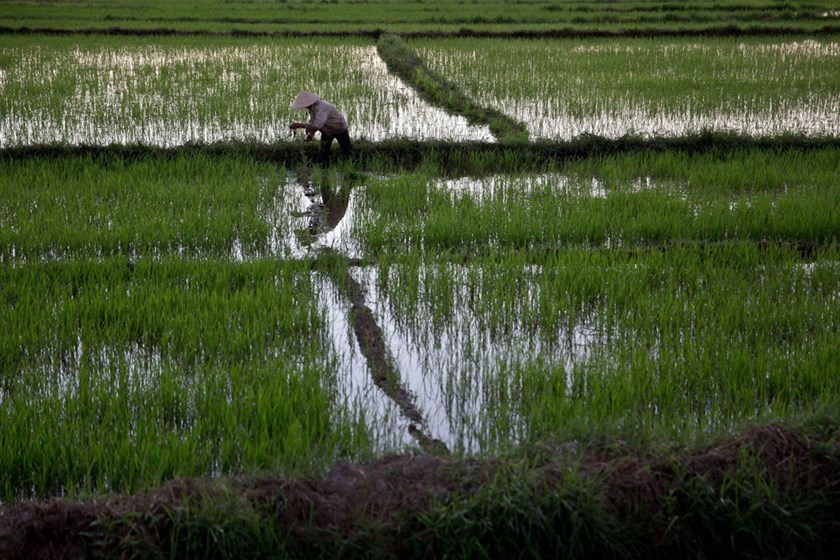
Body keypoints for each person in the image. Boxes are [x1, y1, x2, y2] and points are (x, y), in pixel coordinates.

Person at [289, 91, 354, 165]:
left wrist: (300, 125)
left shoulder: (322, 107)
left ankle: (353, 166)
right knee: (323, 153)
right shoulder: (312, 109)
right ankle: (323, 168)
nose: (303, 107)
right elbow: (313, 122)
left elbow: (318, 125)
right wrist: (311, 134)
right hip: (327, 131)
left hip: (339, 128)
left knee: (347, 150)